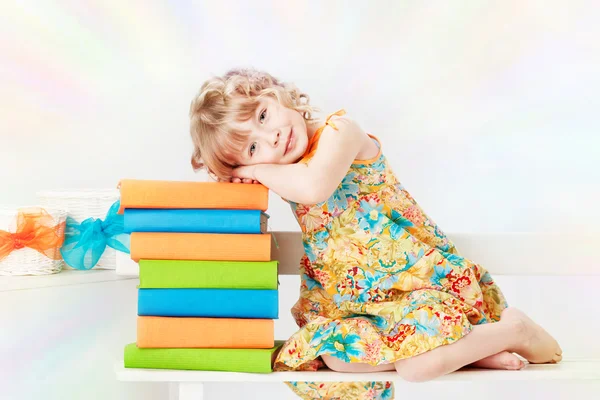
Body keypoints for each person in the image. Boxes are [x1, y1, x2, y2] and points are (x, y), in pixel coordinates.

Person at [188, 68, 562, 399]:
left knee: (414, 368)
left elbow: (314, 188)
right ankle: (469, 351)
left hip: (411, 285)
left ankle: (514, 330)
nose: (271, 138)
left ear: (275, 95)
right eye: (253, 147)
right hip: (357, 302)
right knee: (337, 358)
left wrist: (257, 169)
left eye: (263, 116)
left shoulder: (340, 132)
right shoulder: (286, 168)